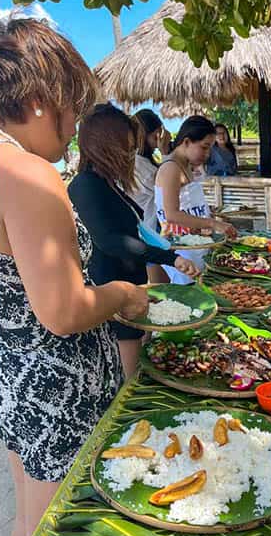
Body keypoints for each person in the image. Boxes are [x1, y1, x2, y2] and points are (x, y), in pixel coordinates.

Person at [0, 18, 149, 536]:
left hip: (17, 384)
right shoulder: (27, 173)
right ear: (40, 99)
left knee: (28, 522)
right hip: (55, 390)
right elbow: (62, 311)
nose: (73, 129)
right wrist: (124, 296)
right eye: (72, 110)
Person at [69, 105, 199, 376]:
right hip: (113, 294)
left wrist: (169, 250)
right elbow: (111, 240)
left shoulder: (109, 183)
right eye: (125, 149)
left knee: (141, 365)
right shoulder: (85, 185)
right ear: (104, 146)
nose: (130, 156)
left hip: (133, 287)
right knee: (129, 382)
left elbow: (138, 229)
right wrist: (169, 258)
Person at [149, 115, 238, 282]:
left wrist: (207, 216)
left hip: (195, 247)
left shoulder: (186, 167)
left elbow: (188, 206)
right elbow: (172, 215)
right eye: (204, 147)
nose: (208, 154)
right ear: (187, 142)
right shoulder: (171, 169)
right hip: (181, 253)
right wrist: (213, 223)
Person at [130, 108, 169, 223]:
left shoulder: (140, 161)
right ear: (142, 136)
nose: (158, 143)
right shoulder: (138, 164)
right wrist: (165, 152)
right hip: (150, 227)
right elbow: (169, 188)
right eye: (155, 137)